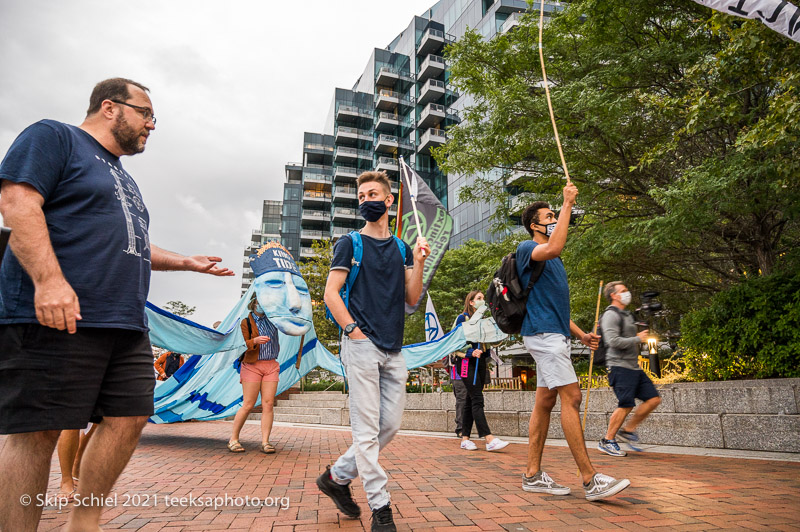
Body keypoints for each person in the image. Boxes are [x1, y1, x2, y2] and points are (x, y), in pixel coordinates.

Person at [0, 78, 234, 532]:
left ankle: (83, 523)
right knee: (37, 432)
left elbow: (133, 243)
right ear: (110, 107)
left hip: (124, 321)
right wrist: (49, 281)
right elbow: (17, 199)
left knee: (130, 416)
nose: (151, 125)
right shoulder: (54, 136)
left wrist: (185, 261)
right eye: (145, 114)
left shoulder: (123, 177)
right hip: (56, 313)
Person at [317, 170, 429, 532]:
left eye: (373, 194)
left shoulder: (400, 248)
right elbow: (331, 293)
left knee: (389, 426)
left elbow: (412, 298)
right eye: (362, 196)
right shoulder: (350, 243)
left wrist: (420, 261)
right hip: (361, 346)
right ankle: (382, 509)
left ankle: (336, 477)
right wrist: (354, 331)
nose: (367, 200)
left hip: (394, 349)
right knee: (366, 432)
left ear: (389, 200)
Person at [516, 185, 630, 502]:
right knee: (573, 396)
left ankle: (532, 475)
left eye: (555, 215)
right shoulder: (529, 248)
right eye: (548, 217)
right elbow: (553, 247)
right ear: (534, 225)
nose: (553, 220)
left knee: (545, 402)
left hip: (554, 333)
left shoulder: (555, 263)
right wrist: (567, 203)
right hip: (543, 336)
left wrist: (580, 334)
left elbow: (554, 309)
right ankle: (590, 479)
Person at [597, 281, 662, 456]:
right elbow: (613, 341)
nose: (628, 293)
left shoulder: (625, 314)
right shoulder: (610, 315)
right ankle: (608, 440)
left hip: (633, 366)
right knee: (625, 404)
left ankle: (627, 431)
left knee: (654, 399)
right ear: (614, 295)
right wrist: (637, 339)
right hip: (618, 366)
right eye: (623, 291)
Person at [454, 290, 509, 452]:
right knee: (477, 398)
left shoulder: (484, 321)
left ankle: (465, 438)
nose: (482, 301)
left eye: (483, 298)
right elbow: (455, 342)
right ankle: (489, 438)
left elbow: (492, 341)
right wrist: (470, 352)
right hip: (465, 363)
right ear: (471, 302)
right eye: (478, 298)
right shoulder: (462, 318)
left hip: (480, 363)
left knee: (471, 400)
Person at [227, 294, 281, 454]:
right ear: (254, 303)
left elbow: (290, 322)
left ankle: (265, 442)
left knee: (268, 403)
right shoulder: (246, 322)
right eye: (260, 301)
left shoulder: (274, 319)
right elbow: (239, 345)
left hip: (271, 364)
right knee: (248, 404)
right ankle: (233, 439)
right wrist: (254, 341)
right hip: (251, 365)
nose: (263, 304)